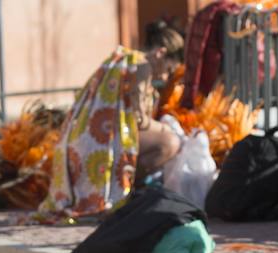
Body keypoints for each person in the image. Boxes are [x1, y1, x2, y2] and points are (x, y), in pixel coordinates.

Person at [37, 20, 184, 219]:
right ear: (161, 53)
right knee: (170, 143)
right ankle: (124, 195)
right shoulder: (143, 66)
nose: (166, 77)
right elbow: (138, 119)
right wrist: (165, 128)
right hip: (103, 147)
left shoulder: (123, 58)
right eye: (169, 69)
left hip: (82, 144)